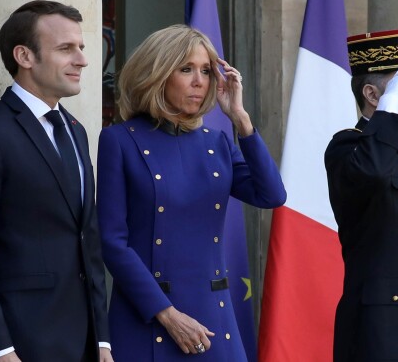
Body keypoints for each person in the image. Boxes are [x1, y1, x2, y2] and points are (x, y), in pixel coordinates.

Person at [96, 24, 286, 361]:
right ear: (157, 74)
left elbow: (271, 195)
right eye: (186, 69)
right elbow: (113, 243)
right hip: (149, 315)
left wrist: (240, 119)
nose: (200, 81)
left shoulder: (217, 142)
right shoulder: (119, 140)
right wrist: (167, 315)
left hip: (214, 317)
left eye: (205, 71)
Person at [0, 0, 113, 362]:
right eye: (66, 48)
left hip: (82, 345)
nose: (83, 60)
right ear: (24, 56)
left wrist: (102, 341)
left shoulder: (75, 131)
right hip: (17, 345)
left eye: (81, 48)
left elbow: (89, 242)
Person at [325, 27, 398, 361]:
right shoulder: (348, 146)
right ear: (373, 94)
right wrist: (386, 116)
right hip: (385, 328)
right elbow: (368, 173)